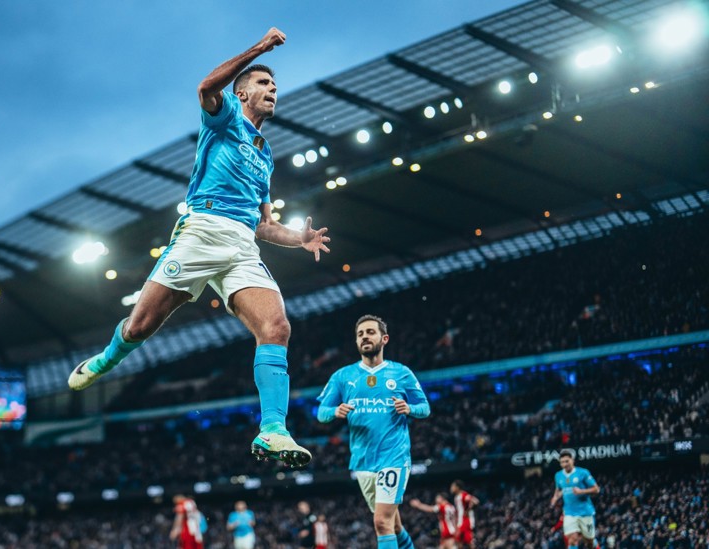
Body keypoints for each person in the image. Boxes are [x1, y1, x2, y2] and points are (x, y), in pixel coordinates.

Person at [67, 26, 330, 468]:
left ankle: (273, 431)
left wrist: (298, 238)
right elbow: (206, 86)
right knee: (140, 328)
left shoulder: (265, 155)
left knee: (277, 328)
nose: (273, 90)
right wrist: (259, 50)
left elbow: (265, 226)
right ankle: (110, 356)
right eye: (264, 84)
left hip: (243, 245)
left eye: (275, 85)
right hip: (202, 231)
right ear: (243, 93)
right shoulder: (225, 115)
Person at [316, 314, 431, 549]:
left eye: (370, 332)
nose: (364, 337)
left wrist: (409, 408)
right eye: (360, 334)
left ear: (384, 338)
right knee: (394, 525)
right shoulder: (342, 376)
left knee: (381, 522)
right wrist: (335, 411)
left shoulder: (401, 373)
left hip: (393, 456)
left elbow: (425, 408)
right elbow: (321, 412)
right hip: (362, 461)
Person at [550, 450, 601, 548]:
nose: (564, 464)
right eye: (562, 462)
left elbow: (596, 489)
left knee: (589, 542)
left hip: (585, 512)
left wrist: (581, 491)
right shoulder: (558, 475)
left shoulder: (583, 472)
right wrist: (555, 498)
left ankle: (593, 543)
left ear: (572, 460)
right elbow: (559, 489)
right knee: (572, 539)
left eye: (567, 461)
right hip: (569, 513)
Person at [450, 480, 480, 548]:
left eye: (452, 486)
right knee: (459, 541)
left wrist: (469, 510)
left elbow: (475, 501)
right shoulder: (456, 497)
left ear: (457, 487)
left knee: (468, 541)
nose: (451, 488)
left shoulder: (464, 495)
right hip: (460, 522)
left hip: (466, 521)